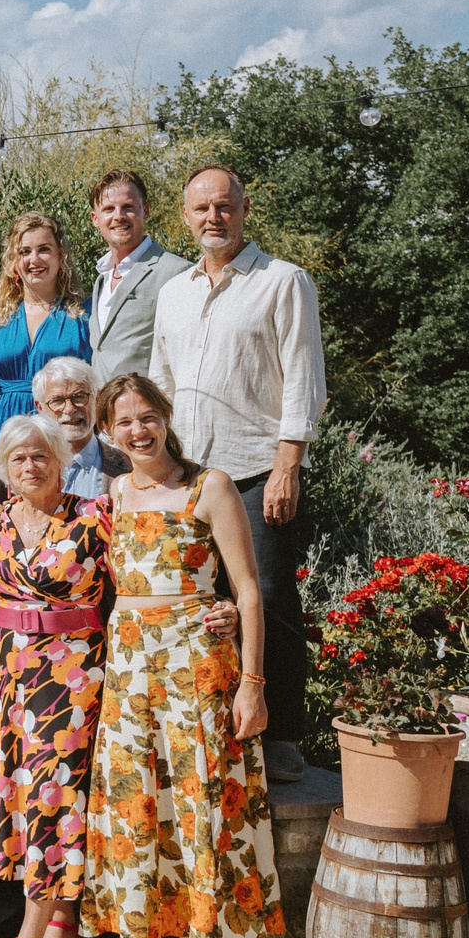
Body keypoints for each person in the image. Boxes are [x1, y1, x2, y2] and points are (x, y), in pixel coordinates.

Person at [82, 373, 282, 938]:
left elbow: (248, 591)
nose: (138, 431)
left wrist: (252, 684)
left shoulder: (209, 486)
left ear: (165, 417)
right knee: (145, 803)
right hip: (131, 669)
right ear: (107, 433)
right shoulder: (114, 492)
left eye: (148, 417)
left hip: (196, 666)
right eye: (124, 422)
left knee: (199, 801)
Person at [149, 162, 326, 783]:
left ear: (244, 210)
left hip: (254, 469)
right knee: (195, 601)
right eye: (200, 208)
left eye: (223, 206)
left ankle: (281, 734)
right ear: (185, 215)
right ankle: (205, 720)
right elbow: (160, 385)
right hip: (189, 476)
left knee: (269, 596)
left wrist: (288, 465)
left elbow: (304, 376)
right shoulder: (175, 291)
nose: (212, 218)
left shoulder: (282, 281)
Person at [0, 413, 108, 938]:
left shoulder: (93, 517)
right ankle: (61, 930)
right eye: (19, 459)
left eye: (41, 456)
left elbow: (135, 586)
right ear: (4, 467)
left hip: (72, 676)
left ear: (61, 460)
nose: (31, 467)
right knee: (26, 797)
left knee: (53, 799)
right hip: (8, 676)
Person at [0, 212, 91, 494]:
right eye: (25, 252)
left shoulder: (83, 314)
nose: (34, 260)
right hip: (2, 443)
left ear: (60, 257)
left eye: (44, 249)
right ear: (14, 261)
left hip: (62, 442)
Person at [86, 167, 190, 386]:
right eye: (108, 209)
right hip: (102, 413)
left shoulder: (176, 271)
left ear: (146, 211)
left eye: (128, 207)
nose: (118, 216)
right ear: (96, 219)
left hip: (147, 412)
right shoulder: (100, 279)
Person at [35, 356, 125, 499]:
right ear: (40, 407)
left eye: (79, 397)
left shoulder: (127, 466)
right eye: (57, 400)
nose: (69, 409)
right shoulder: (21, 469)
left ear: (97, 398)